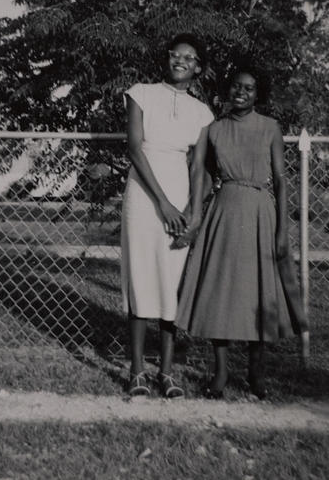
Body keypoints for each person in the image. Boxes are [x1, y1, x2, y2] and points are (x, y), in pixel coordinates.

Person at [175, 70, 308, 399]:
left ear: (257, 94)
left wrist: (282, 230)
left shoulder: (270, 127)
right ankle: (220, 371)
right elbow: (205, 178)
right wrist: (192, 214)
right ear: (227, 89)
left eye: (249, 88)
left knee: (257, 291)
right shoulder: (214, 129)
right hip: (224, 213)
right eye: (236, 86)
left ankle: (255, 372)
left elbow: (280, 180)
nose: (241, 92)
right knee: (220, 291)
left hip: (260, 214)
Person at [121, 33, 214, 398]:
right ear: (167, 58)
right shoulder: (141, 93)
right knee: (141, 277)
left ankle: (167, 372)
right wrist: (162, 203)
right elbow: (135, 149)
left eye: (189, 58)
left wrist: (194, 215)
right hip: (145, 198)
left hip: (180, 197)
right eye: (176, 54)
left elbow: (198, 167)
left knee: (170, 282)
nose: (181, 61)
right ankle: (137, 371)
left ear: (198, 68)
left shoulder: (202, 113)